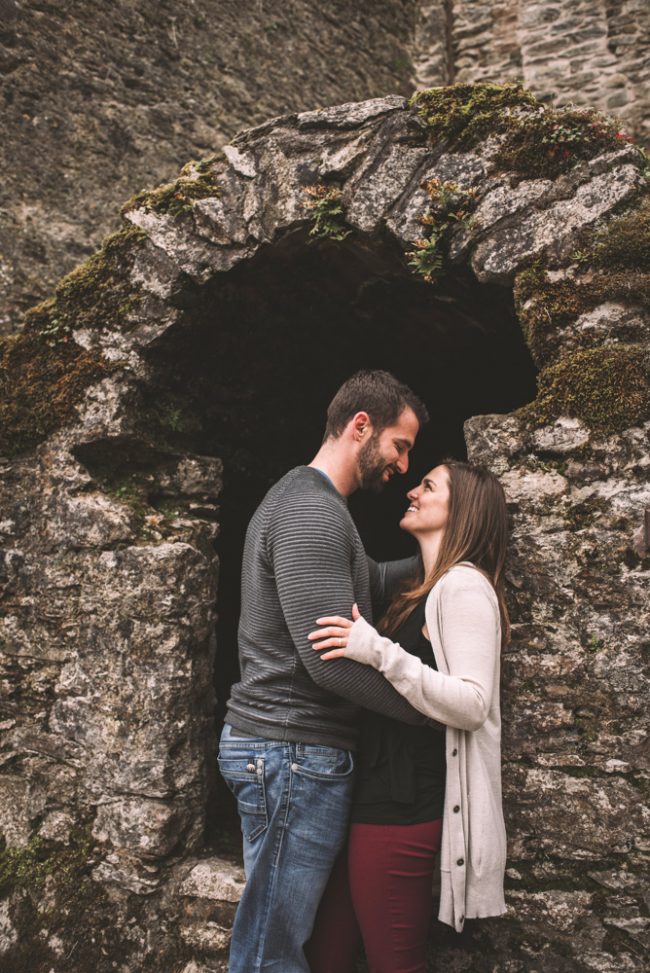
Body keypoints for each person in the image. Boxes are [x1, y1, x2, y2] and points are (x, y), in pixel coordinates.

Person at [218, 370, 431, 973]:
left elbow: (371, 581)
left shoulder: (310, 503)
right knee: (271, 949)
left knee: (277, 937)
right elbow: (327, 664)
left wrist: (451, 547)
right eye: (400, 445)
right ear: (361, 426)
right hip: (291, 753)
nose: (404, 466)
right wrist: (425, 711)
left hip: (287, 754)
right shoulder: (313, 512)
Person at [307, 460, 510, 973]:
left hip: (402, 806)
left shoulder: (464, 587)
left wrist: (379, 652)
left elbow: (471, 703)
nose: (412, 492)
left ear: (461, 511)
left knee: (394, 964)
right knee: (327, 957)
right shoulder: (420, 589)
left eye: (428, 486)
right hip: (370, 796)